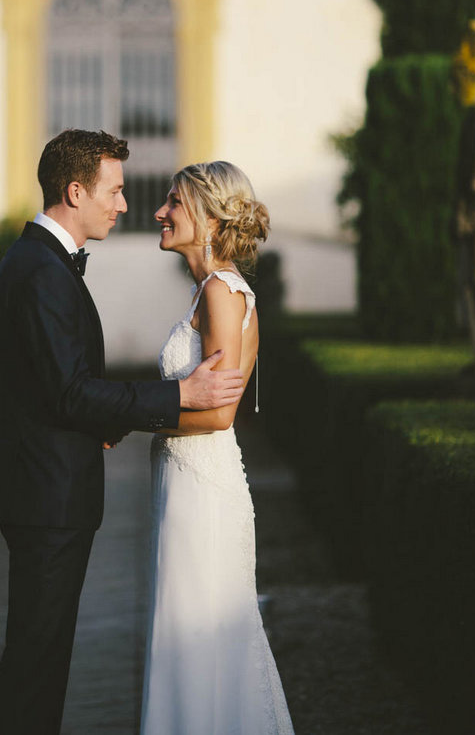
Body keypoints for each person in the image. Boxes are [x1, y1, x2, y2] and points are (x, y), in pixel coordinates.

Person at [0, 130, 246, 735]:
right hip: (47, 498)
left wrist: (108, 419)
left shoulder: (37, 263)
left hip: (45, 489)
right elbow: (69, 390)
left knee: (39, 662)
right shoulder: (42, 270)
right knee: (34, 667)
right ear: (76, 192)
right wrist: (177, 396)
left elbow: (57, 384)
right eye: (115, 190)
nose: (125, 205)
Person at [140, 161, 295, 735]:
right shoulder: (206, 289)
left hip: (202, 488)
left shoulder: (223, 293)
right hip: (183, 482)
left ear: (206, 216)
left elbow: (220, 411)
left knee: (199, 636)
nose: (160, 212)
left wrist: (136, 419)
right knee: (184, 631)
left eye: (173, 202)